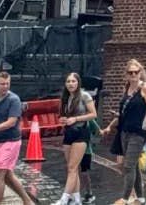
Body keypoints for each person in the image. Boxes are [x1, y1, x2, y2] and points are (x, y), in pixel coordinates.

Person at [0, 71, 35, 205]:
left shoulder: (14, 99)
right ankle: (27, 201)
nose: (5, 86)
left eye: (7, 84)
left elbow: (11, 122)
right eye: (2, 84)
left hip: (11, 140)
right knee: (7, 175)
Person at [103, 60, 146, 205]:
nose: (134, 74)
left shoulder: (145, 88)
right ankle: (141, 197)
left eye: (136, 72)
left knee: (128, 166)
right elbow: (122, 114)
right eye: (131, 72)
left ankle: (125, 198)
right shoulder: (127, 89)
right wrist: (110, 126)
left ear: (141, 72)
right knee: (134, 165)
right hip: (124, 131)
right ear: (127, 75)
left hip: (138, 132)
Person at [54, 71, 98, 205]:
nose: (70, 84)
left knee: (73, 167)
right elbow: (63, 116)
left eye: (73, 81)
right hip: (69, 132)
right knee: (71, 167)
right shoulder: (66, 98)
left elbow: (93, 114)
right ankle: (76, 198)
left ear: (78, 83)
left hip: (81, 132)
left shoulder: (84, 96)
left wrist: (76, 119)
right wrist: (63, 120)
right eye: (68, 81)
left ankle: (64, 198)